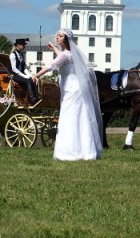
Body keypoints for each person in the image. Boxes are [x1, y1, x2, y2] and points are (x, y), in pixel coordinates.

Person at [33, 29, 103, 161]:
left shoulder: (65, 55)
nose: (57, 38)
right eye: (57, 36)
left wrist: (36, 75)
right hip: (76, 88)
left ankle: (70, 151)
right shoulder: (70, 54)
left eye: (60, 36)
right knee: (80, 118)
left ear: (65, 39)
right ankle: (86, 150)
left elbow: (51, 65)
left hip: (71, 90)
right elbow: (62, 56)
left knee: (69, 118)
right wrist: (54, 48)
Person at [9, 38, 40, 104]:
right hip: (14, 75)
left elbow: (25, 67)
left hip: (21, 75)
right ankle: (32, 99)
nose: (24, 47)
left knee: (33, 79)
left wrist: (29, 75)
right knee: (28, 81)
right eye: (23, 45)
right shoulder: (12, 55)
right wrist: (24, 76)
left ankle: (37, 97)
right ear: (18, 45)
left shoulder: (22, 55)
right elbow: (14, 69)